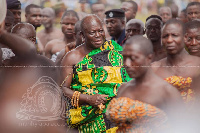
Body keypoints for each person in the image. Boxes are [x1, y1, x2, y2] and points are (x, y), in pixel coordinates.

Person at [60, 14, 131, 132]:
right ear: (82, 35)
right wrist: (88, 98)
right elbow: (63, 89)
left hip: (119, 113)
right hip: (90, 119)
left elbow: (130, 77)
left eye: (100, 31)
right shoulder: (72, 57)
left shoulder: (115, 49)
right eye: (92, 33)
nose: (98, 36)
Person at [106, 35, 182, 132]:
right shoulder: (123, 88)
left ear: (149, 58)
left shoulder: (167, 92)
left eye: (133, 58)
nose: (127, 63)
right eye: (124, 58)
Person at [151, 19, 200, 104]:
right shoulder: (154, 68)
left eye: (174, 35)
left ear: (185, 37)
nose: (169, 40)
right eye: (165, 36)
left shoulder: (197, 65)